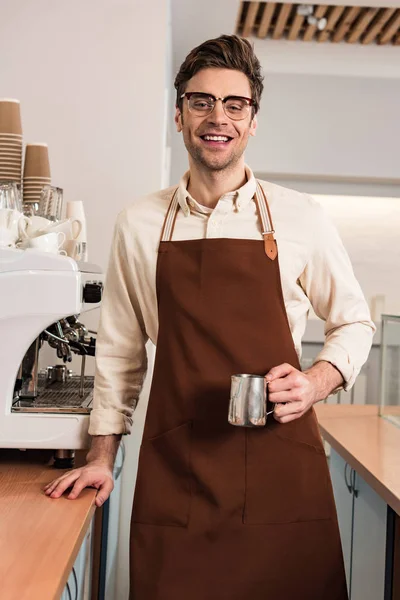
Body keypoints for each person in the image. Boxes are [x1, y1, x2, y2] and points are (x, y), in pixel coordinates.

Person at [44, 35, 375, 599]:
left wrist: (316, 382)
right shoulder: (141, 224)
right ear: (179, 115)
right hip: (180, 477)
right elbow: (121, 353)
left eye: (234, 104)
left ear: (252, 120)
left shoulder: (300, 217)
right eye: (200, 102)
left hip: (280, 475)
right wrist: (101, 457)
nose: (216, 118)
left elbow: (354, 322)